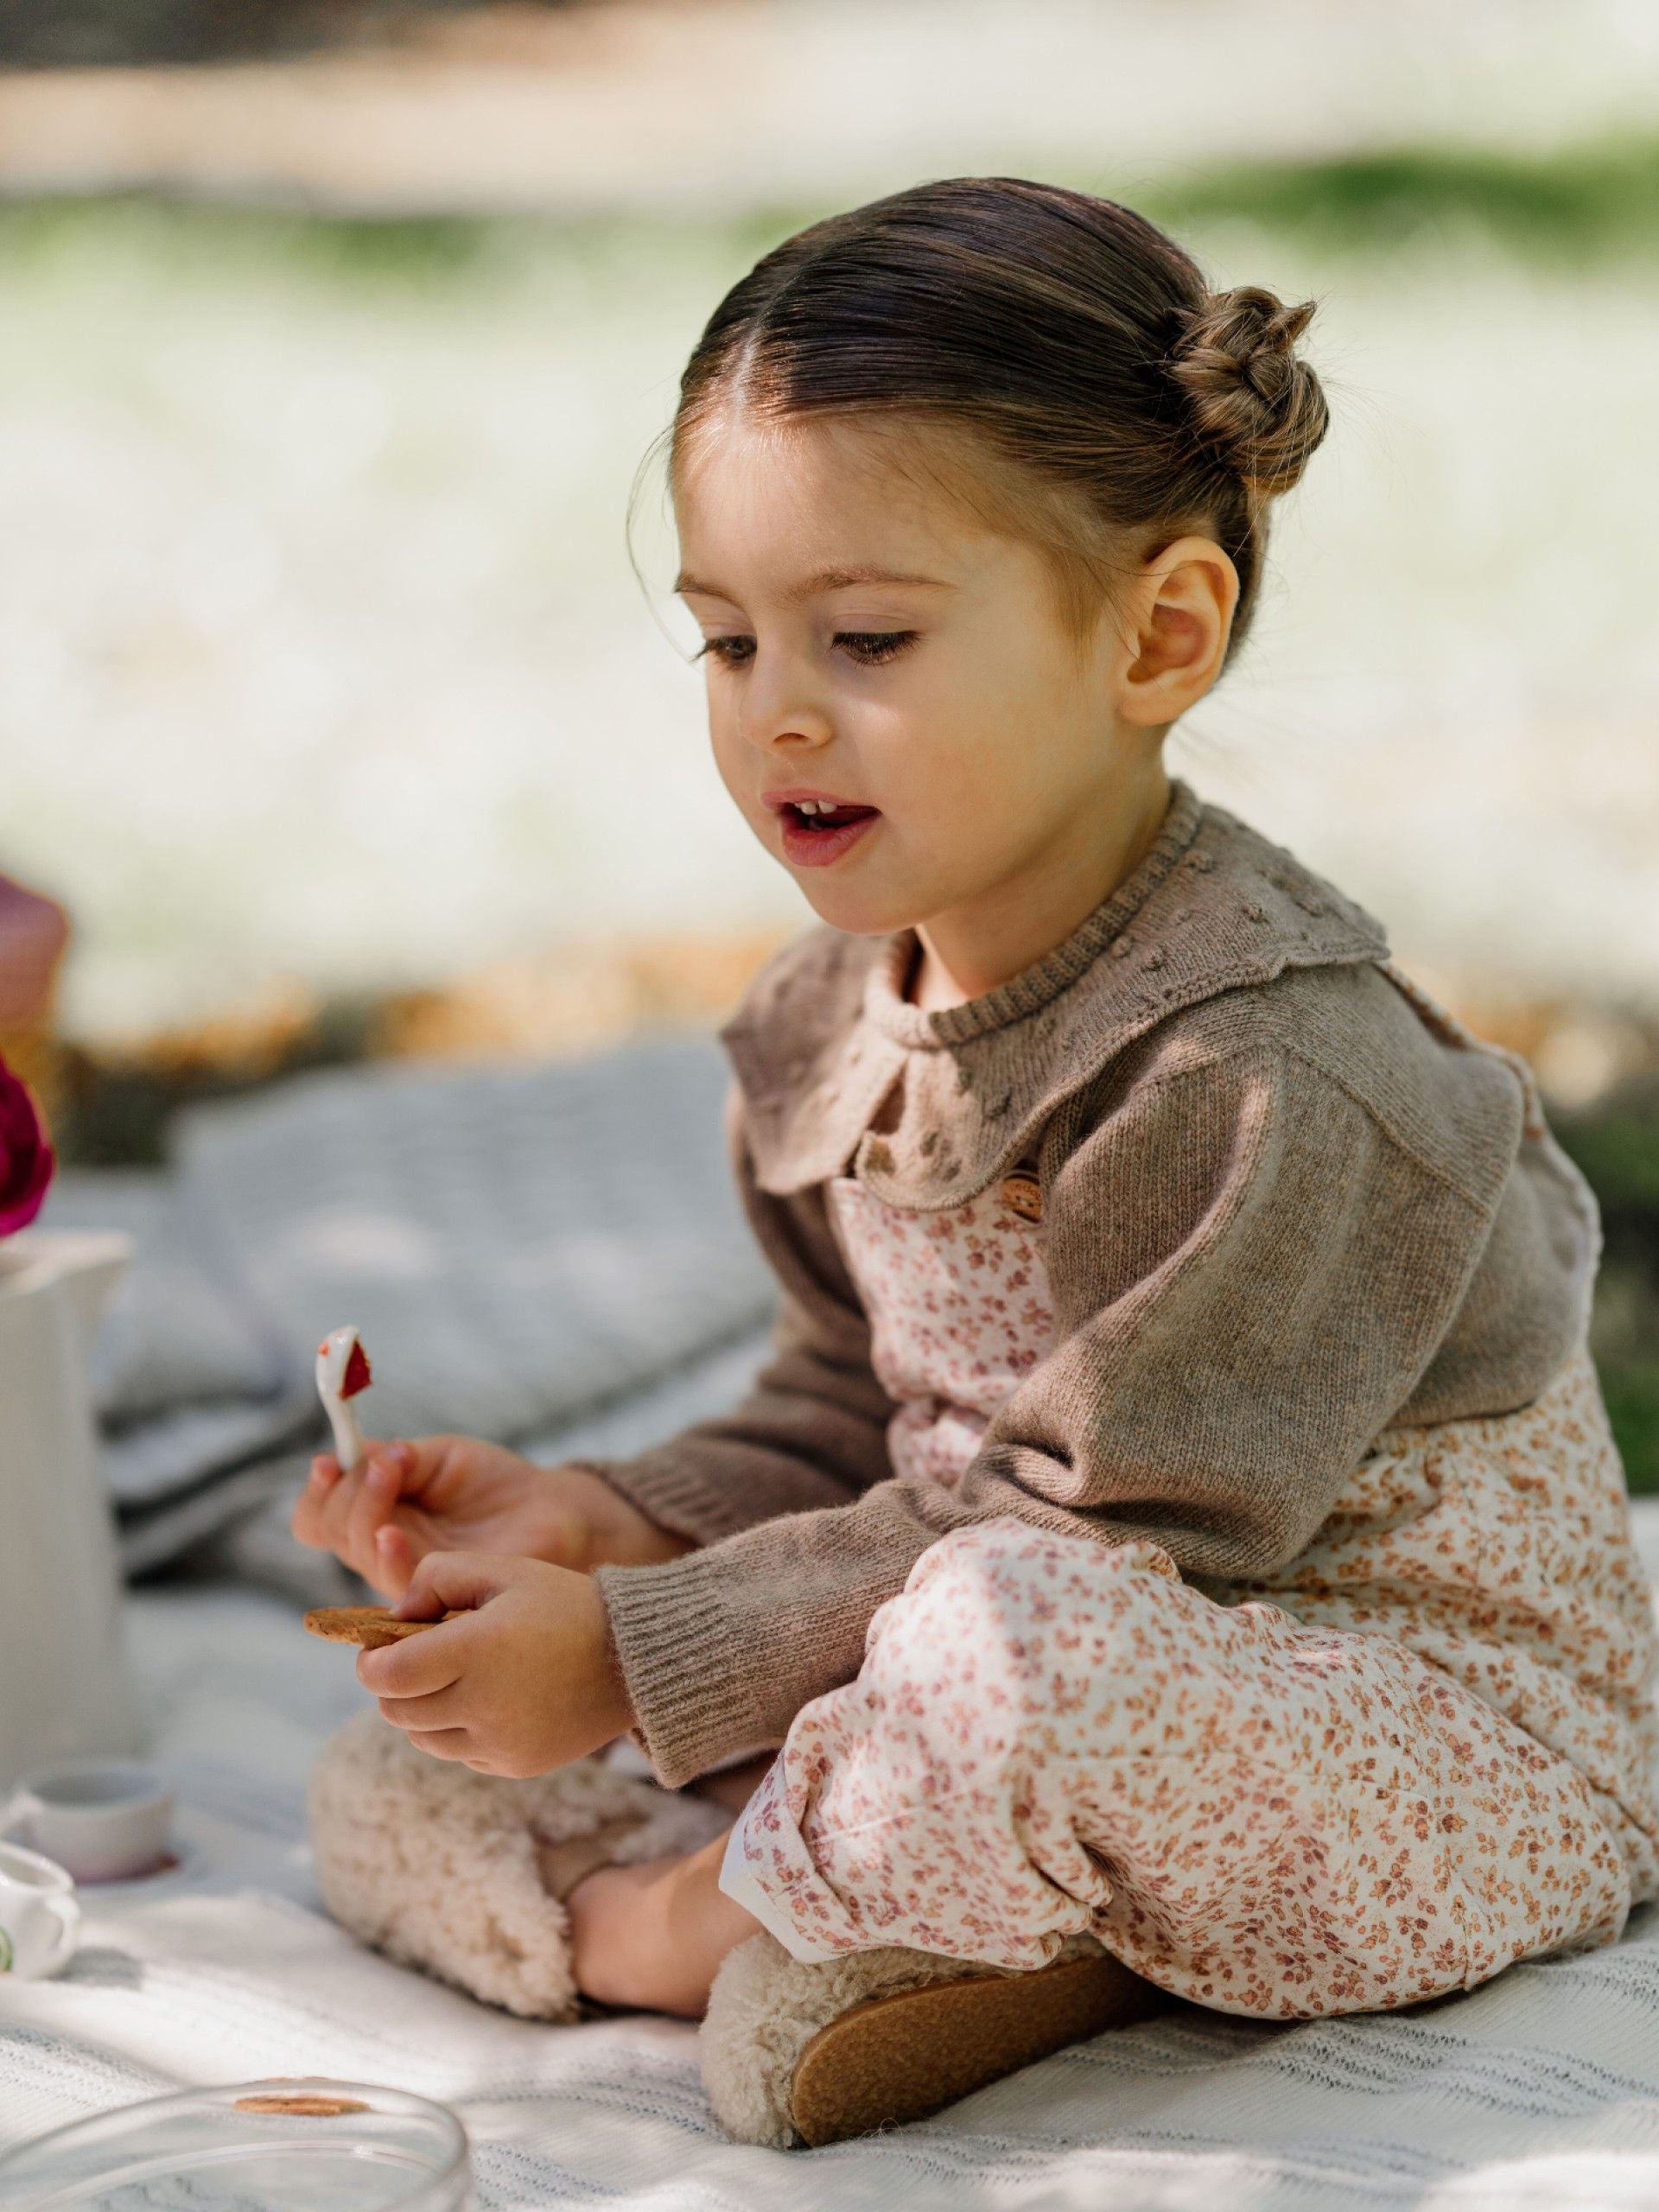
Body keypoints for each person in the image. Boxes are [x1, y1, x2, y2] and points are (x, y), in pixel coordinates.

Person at [295, 176, 1659, 2117]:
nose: (778, 718)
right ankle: (967, 1927)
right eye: (724, 643)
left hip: (1399, 1737)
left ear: (1160, 633)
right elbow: (857, 1413)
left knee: (1022, 1646)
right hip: (988, 1648)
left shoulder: (1264, 1070)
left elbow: (1097, 1547)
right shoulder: (830, 1017)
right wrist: (600, 1527)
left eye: (861, 635)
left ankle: (666, 1932)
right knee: (396, 1760)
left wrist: (631, 1657)